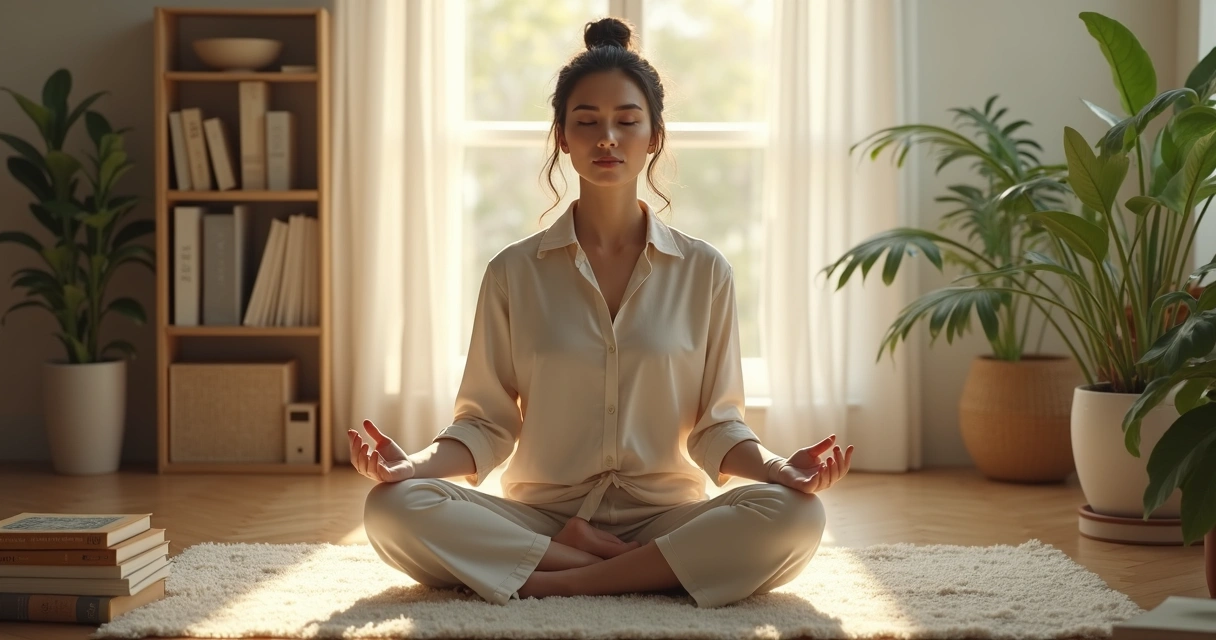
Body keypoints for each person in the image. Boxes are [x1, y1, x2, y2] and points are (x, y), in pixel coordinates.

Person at [349, 16, 854, 609]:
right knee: (392, 507)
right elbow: (486, 424)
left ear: (654, 136)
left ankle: (559, 577)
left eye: (627, 121)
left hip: (665, 518)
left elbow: (717, 426)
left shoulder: (705, 271)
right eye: (586, 122)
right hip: (540, 516)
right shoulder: (513, 272)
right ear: (563, 137)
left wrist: (778, 470)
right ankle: (638, 572)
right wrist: (411, 467)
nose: (607, 138)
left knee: (796, 514)